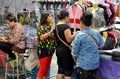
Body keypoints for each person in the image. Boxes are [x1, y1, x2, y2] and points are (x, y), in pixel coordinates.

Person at [71, 11, 104, 79]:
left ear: (82, 23)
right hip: (95, 63)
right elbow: (102, 45)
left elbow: (74, 52)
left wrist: (75, 59)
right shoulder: (97, 33)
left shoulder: (79, 35)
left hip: (83, 65)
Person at [54, 10, 79, 79]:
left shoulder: (56, 26)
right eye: (69, 17)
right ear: (65, 17)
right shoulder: (65, 27)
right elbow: (69, 39)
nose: (69, 19)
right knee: (68, 72)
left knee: (60, 70)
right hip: (65, 51)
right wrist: (75, 34)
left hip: (58, 49)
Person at [37, 11, 56, 79]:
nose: (51, 18)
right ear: (45, 18)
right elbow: (42, 37)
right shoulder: (41, 27)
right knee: (42, 69)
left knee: (46, 69)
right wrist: (51, 31)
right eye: (49, 16)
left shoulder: (50, 26)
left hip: (50, 50)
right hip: (44, 50)